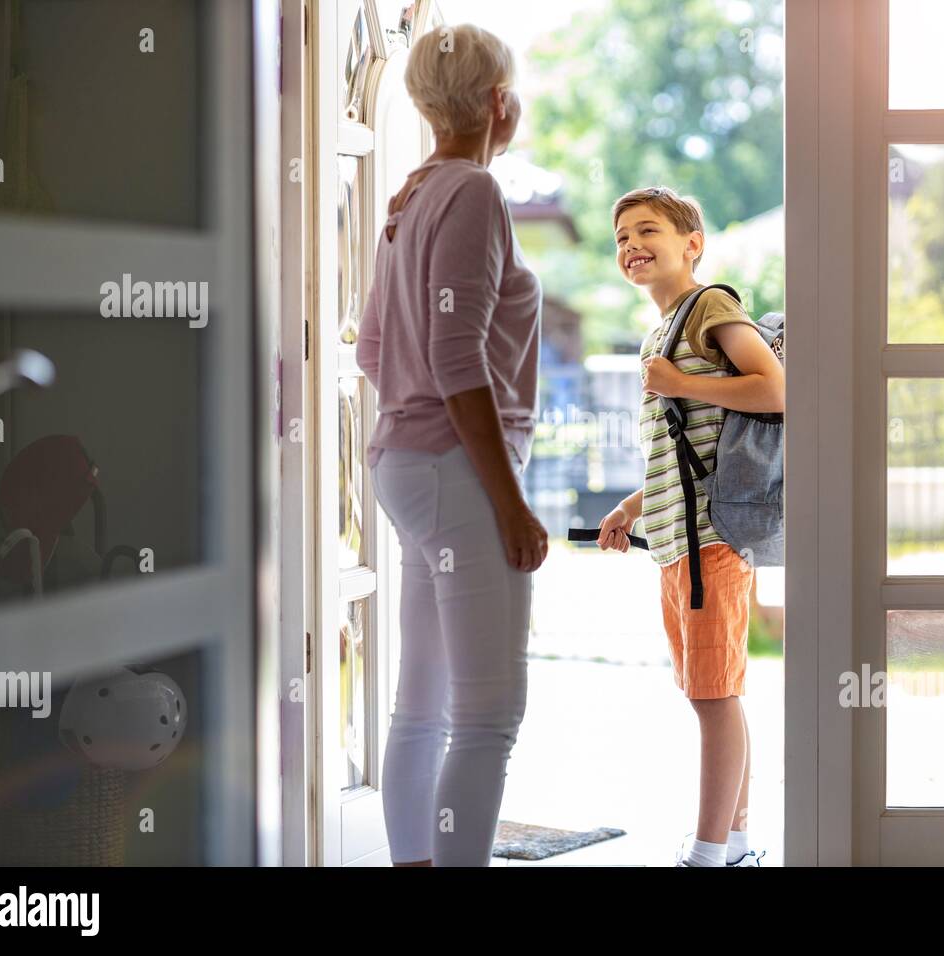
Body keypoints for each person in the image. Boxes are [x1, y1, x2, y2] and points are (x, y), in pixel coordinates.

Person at [355, 24, 548, 867]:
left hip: (408, 464)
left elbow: (369, 349)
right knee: (488, 714)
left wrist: (413, 409)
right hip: (457, 473)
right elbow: (457, 355)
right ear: (498, 103)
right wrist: (511, 503)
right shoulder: (471, 192)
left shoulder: (410, 196)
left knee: (423, 706)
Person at [598, 186, 785, 867]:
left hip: (711, 543)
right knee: (717, 692)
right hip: (680, 545)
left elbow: (777, 388)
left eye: (646, 230)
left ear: (692, 244)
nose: (630, 245)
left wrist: (681, 384)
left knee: (713, 697)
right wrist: (628, 510)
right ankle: (734, 841)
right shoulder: (664, 328)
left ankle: (708, 854)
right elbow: (683, 452)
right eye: (620, 236)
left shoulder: (709, 307)